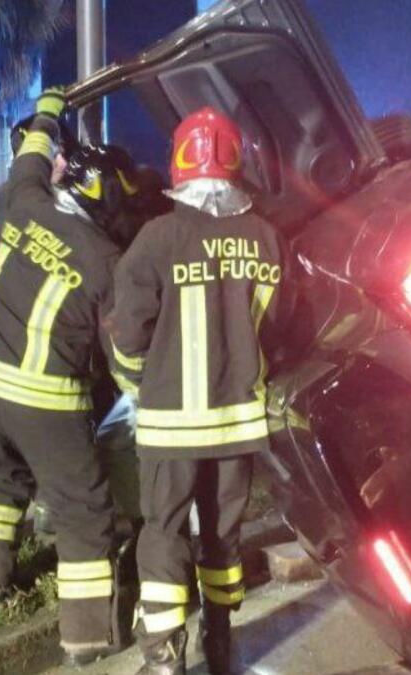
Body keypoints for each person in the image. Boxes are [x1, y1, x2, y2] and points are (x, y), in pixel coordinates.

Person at [109, 107, 286, 675]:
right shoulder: (265, 238)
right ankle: (220, 636)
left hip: (169, 425)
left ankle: (163, 657)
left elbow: (127, 332)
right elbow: (277, 327)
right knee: (222, 532)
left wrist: (137, 379)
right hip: (238, 422)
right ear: (237, 161)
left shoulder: (157, 237)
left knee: (162, 532)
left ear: (179, 164)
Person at [0, 88, 131, 666]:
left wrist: (50, 110)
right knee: (84, 510)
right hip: (45, 399)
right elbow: (120, 353)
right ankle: (85, 636)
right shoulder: (107, 260)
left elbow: (31, 152)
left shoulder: (20, 198)